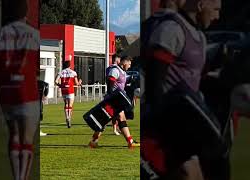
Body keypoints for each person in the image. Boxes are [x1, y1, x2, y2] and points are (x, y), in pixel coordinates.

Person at [141, 0, 221, 179]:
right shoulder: (172, 29)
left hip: (186, 123)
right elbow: (155, 79)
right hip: (166, 124)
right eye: (215, 10)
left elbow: (194, 78)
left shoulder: (200, 36)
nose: (218, 17)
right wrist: (162, 123)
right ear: (200, 6)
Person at [0, 1, 39, 180]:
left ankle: (15, 175)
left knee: (14, 135)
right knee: (27, 139)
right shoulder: (33, 34)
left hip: (6, 91)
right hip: (27, 91)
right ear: (25, 13)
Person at [89, 56, 140, 149]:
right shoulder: (115, 70)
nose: (129, 66)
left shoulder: (122, 72)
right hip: (112, 99)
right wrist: (115, 93)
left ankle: (94, 141)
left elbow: (122, 80)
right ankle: (130, 141)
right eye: (129, 64)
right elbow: (111, 81)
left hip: (116, 99)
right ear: (125, 62)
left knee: (105, 121)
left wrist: (131, 78)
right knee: (118, 118)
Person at [55, 60, 82, 128]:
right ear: (69, 65)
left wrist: (60, 85)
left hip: (63, 90)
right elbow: (76, 83)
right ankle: (69, 118)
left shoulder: (61, 72)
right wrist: (80, 82)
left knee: (66, 104)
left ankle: (66, 117)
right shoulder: (73, 72)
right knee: (70, 105)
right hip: (70, 90)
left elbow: (56, 81)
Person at [106, 54, 122, 135]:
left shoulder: (108, 68)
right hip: (114, 93)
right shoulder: (115, 69)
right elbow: (111, 81)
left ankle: (117, 128)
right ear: (117, 59)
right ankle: (115, 129)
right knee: (114, 113)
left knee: (116, 113)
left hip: (110, 92)